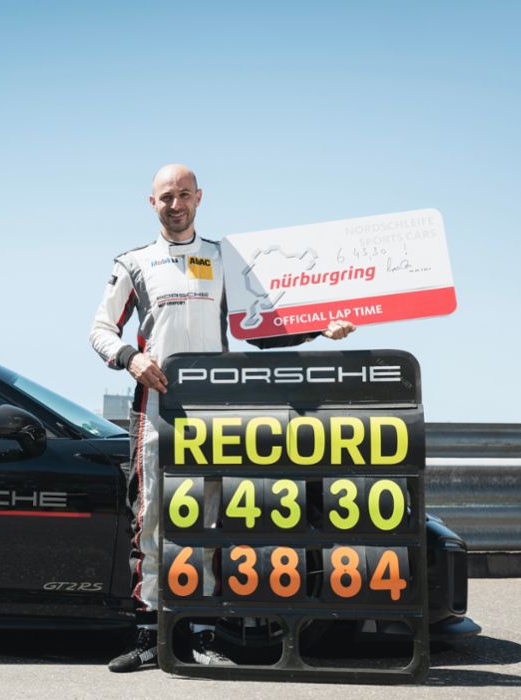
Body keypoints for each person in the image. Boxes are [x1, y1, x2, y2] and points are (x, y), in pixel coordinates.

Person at [90, 164, 355, 672]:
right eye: (166, 196)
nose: (176, 203)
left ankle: (204, 632)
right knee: (152, 523)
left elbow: (263, 328)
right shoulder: (133, 263)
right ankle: (151, 635)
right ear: (152, 203)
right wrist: (131, 358)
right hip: (156, 413)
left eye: (184, 194)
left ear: (199, 198)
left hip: (216, 418)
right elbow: (100, 328)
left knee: (211, 523)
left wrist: (321, 328)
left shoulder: (223, 258)